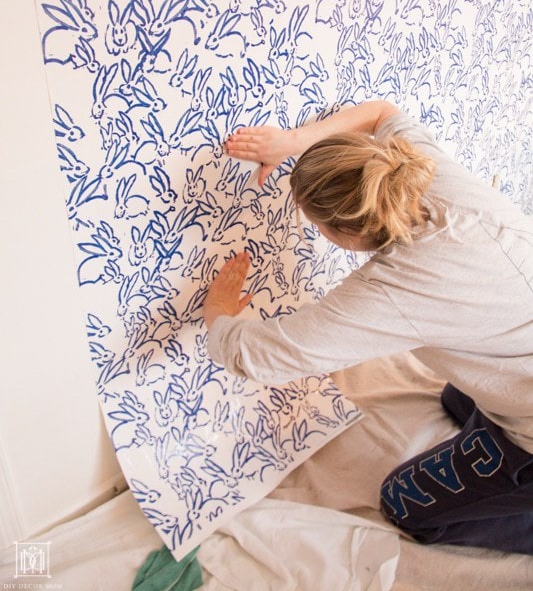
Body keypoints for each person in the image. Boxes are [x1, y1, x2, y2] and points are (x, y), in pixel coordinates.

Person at [202, 99, 533, 554]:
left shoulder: (396, 289)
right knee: (455, 397)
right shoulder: (426, 173)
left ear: (342, 234)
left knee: (402, 504)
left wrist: (217, 314)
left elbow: (258, 356)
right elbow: (381, 113)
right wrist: (291, 143)